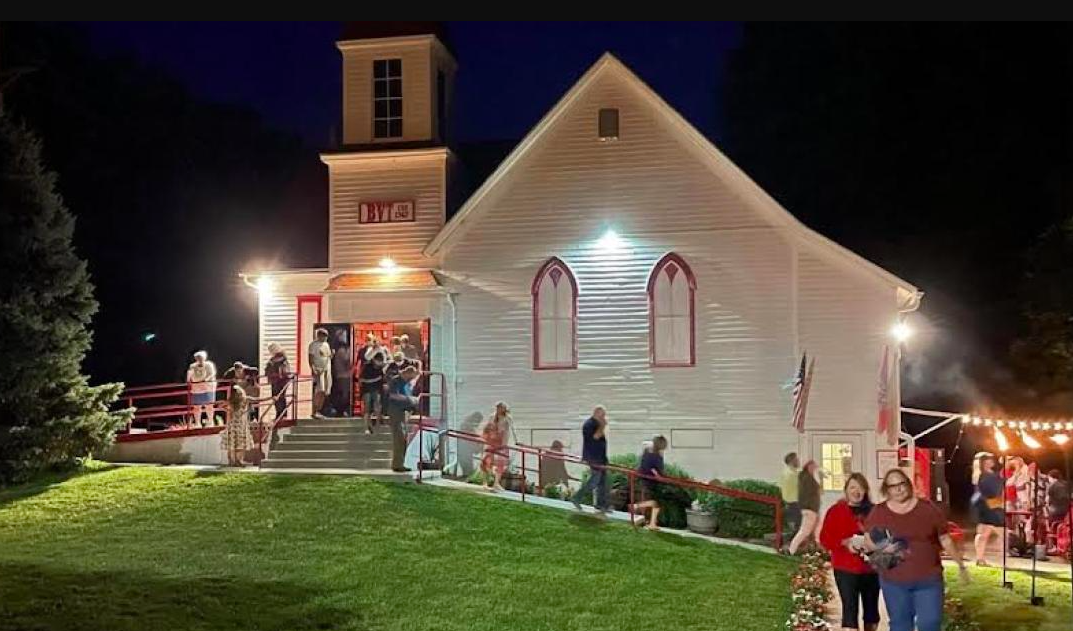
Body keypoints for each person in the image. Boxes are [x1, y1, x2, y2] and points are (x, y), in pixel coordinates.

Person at [863, 468, 968, 631]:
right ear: (887, 490)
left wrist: (961, 565)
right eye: (893, 486)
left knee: (930, 623)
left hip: (928, 580)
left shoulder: (928, 509)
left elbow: (945, 539)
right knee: (900, 625)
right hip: (894, 582)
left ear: (908, 484)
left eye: (901, 484)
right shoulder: (879, 512)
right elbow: (868, 540)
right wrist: (882, 552)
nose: (898, 489)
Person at [819, 473, 879, 631]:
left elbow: (885, 536)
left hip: (872, 569)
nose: (856, 491)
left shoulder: (875, 511)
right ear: (846, 490)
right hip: (845, 568)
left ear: (866, 491)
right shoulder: (836, 511)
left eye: (860, 488)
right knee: (850, 610)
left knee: (872, 612)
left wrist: (871, 544)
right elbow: (825, 539)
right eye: (852, 487)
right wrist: (844, 543)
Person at [571, 405, 611, 517]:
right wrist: (603, 426)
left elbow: (601, 440)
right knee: (594, 481)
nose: (604, 418)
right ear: (596, 413)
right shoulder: (589, 424)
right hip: (593, 458)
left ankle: (601, 505)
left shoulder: (597, 424)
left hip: (601, 458)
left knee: (603, 482)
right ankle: (576, 498)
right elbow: (595, 437)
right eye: (602, 415)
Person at [971, 452, 1004, 566]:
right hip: (989, 505)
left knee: (983, 533)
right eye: (989, 459)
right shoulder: (985, 475)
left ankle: (980, 559)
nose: (992, 461)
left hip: (985, 504)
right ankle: (1002, 559)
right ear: (984, 462)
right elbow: (992, 491)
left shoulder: (983, 474)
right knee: (1002, 533)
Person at [629, 435, 668, 531]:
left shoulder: (648, 452)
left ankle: (652, 523)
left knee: (657, 503)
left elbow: (646, 465)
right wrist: (659, 477)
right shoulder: (655, 456)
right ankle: (636, 506)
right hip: (651, 481)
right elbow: (654, 469)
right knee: (656, 502)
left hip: (646, 479)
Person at [386, 364, 419, 471]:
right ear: (407, 373)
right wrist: (409, 399)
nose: (411, 379)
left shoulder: (406, 384)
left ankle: (401, 463)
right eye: (411, 377)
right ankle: (397, 464)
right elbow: (393, 395)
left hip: (404, 412)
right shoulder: (396, 381)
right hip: (396, 411)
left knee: (403, 439)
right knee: (398, 437)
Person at [788, 460, 823, 554]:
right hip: (810, 508)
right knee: (805, 531)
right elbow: (811, 492)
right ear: (808, 467)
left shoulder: (807, 478)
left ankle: (816, 548)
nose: (814, 469)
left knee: (816, 528)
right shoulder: (807, 479)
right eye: (813, 467)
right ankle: (791, 550)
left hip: (811, 508)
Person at [478, 402, 513, 491]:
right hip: (491, 441)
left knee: (500, 462)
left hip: (501, 442)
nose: (499, 409)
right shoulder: (492, 417)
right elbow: (487, 428)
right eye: (498, 407)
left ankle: (496, 483)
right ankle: (485, 483)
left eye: (501, 408)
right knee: (486, 461)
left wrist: (504, 444)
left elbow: (507, 431)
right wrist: (485, 438)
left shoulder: (507, 418)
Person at [186, 350, 218, 427]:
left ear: (204, 358)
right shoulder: (192, 366)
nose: (199, 359)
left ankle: (210, 422)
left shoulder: (209, 365)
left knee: (209, 406)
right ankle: (197, 423)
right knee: (197, 407)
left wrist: (205, 380)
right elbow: (190, 377)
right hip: (196, 389)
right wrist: (189, 378)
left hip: (208, 388)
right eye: (198, 358)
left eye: (201, 358)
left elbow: (212, 374)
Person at [224, 385, 252, 466]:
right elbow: (258, 399)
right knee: (239, 442)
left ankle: (234, 461)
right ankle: (237, 460)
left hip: (235, 424)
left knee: (234, 442)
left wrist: (229, 410)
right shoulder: (243, 399)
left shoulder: (235, 400)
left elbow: (222, 405)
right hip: (239, 424)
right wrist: (229, 410)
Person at [359, 351, 387, 434]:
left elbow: (383, 379)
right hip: (367, 389)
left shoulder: (380, 368)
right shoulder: (367, 366)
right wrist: (374, 380)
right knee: (367, 408)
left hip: (377, 389)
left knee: (377, 406)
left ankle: (378, 425)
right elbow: (361, 379)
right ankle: (366, 427)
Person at [308, 328, 332, 419]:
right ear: (319, 336)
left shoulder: (326, 344)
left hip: (327, 370)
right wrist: (313, 368)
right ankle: (314, 411)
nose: (325, 338)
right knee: (319, 390)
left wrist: (332, 354)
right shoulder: (313, 345)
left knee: (325, 391)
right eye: (323, 336)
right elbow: (310, 357)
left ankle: (319, 410)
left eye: (326, 336)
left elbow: (328, 356)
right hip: (319, 369)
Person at [264, 342, 291, 420]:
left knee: (280, 397)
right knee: (276, 397)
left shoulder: (281, 359)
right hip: (275, 381)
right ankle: (279, 414)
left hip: (281, 381)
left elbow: (284, 370)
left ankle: (282, 414)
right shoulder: (273, 360)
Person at [780, 452, 802, 534]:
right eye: (797, 459)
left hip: (788, 503)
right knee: (798, 529)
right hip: (795, 503)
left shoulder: (785, 472)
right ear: (792, 461)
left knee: (794, 528)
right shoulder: (792, 474)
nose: (799, 461)